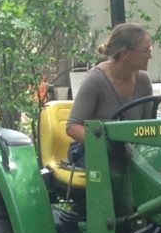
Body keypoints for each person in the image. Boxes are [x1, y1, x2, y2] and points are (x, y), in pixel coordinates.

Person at [65, 23, 155, 167]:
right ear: (125, 53)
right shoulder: (96, 80)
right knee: (117, 169)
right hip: (92, 150)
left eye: (150, 50)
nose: (149, 56)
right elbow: (72, 127)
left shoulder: (143, 81)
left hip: (130, 151)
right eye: (145, 51)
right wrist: (107, 145)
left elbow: (148, 127)